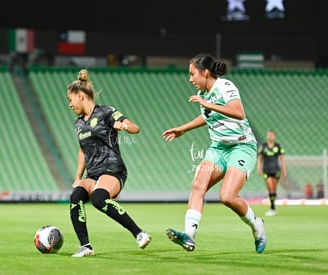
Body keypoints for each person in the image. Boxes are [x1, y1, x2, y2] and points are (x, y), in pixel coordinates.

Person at [162, 53, 266, 253]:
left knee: (227, 196)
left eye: (193, 74)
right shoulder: (205, 95)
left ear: (205, 72)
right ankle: (189, 236)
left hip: (241, 147)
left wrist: (208, 104)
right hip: (218, 148)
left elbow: (238, 112)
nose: (190, 79)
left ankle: (256, 225)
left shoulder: (225, 87)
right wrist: (183, 128)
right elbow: (207, 116)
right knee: (198, 184)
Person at [66, 69, 152, 257]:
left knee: (99, 199)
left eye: (70, 99)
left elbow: (135, 127)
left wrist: (124, 126)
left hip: (113, 169)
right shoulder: (78, 123)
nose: (70, 104)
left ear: (80, 96)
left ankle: (140, 233)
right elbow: (82, 150)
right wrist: (78, 177)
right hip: (93, 173)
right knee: (75, 197)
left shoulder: (106, 112)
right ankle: (86, 247)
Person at [257, 130, 287, 216]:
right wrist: (259, 168)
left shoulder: (278, 146)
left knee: (274, 189)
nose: (270, 136)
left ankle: (273, 207)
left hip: (276, 170)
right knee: (270, 187)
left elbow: (282, 159)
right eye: (269, 135)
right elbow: (260, 158)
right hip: (266, 170)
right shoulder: (263, 146)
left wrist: (284, 171)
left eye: (272, 135)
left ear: (274, 136)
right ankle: (272, 208)